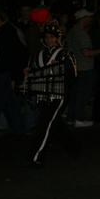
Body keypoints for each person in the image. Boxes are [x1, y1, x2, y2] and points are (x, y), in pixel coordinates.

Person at [24, 20, 81, 167]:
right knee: (53, 124)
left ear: (58, 38)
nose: (49, 40)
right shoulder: (37, 54)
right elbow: (31, 70)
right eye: (47, 37)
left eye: (52, 37)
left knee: (46, 124)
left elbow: (72, 77)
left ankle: (36, 156)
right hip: (42, 94)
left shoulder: (65, 53)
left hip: (58, 94)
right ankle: (74, 147)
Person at [0, 7, 28, 136]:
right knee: (8, 104)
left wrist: (15, 76)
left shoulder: (7, 32)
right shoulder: (2, 31)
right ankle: (20, 130)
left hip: (3, 73)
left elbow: (15, 55)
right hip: (2, 73)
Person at [66, 9, 100, 127]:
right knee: (82, 95)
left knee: (75, 95)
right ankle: (79, 118)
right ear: (83, 18)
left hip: (75, 68)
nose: (90, 20)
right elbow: (86, 52)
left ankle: (72, 118)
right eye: (88, 17)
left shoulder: (72, 31)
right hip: (84, 68)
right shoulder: (81, 33)